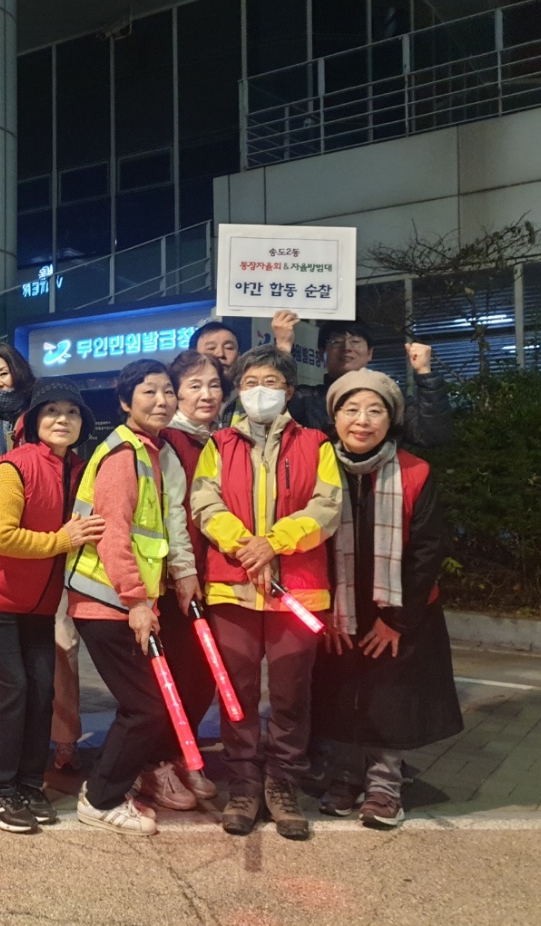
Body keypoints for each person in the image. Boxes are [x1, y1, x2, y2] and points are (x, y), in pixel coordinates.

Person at [190, 345, 342, 840]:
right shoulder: (219, 445)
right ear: (239, 390)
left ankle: (282, 786)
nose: (261, 391)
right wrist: (245, 547)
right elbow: (204, 502)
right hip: (232, 588)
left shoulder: (316, 443)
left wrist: (274, 543)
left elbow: (327, 507)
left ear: (290, 392)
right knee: (236, 694)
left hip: (296, 591)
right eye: (251, 382)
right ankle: (243, 785)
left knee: (291, 694)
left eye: (272, 383)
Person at [310, 369, 462, 829]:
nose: (363, 420)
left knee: (389, 696)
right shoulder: (319, 469)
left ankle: (384, 786)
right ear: (334, 417)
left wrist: (397, 619)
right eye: (351, 409)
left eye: (375, 410)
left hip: (399, 611)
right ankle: (344, 774)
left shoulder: (415, 471)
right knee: (339, 692)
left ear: (391, 418)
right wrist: (325, 610)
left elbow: (429, 547)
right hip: (335, 608)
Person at [66, 359, 200, 835]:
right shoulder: (123, 455)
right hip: (108, 603)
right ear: (125, 402)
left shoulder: (150, 450)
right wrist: (137, 601)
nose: (161, 401)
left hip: (123, 601)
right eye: (149, 393)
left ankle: (112, 786)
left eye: (168, 392)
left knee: (143, 704)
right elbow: (114, 535)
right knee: (146, 707)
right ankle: (100, 799)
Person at [0, 379, 105, 834]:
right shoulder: (13, 467)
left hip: (41, 603)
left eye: (72, 412)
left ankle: (27, 782)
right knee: (10, 694)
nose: (62, 419)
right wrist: (61, 540)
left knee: (42, 691)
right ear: (31, 421)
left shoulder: (80, 470)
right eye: (51, 412)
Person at [146, 351, 229, 806]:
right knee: (176, 677)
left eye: (214, 384)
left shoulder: (220, 440)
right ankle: (157, 764)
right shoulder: (169, 442)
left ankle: (183, 754)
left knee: (201, 677)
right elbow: (172, 515)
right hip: (177, 583)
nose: (206, 394)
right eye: (194, 385)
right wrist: (181, 575)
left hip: (214, 579)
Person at [271, 314, 453, 448]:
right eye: (336, 341)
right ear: (321, 354)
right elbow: (271, 420)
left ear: (370, 353)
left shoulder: (390, 400)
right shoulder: (305, 399)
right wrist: (283, 348)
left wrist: (425, 372)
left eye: (355, 341)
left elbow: (433, 435)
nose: (346, 348)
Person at [188, 321, 241, 426]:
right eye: (211, 348)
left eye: (229, 348)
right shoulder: (177, 402)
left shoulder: (249, 398)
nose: (220, 354)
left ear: (239, 356)